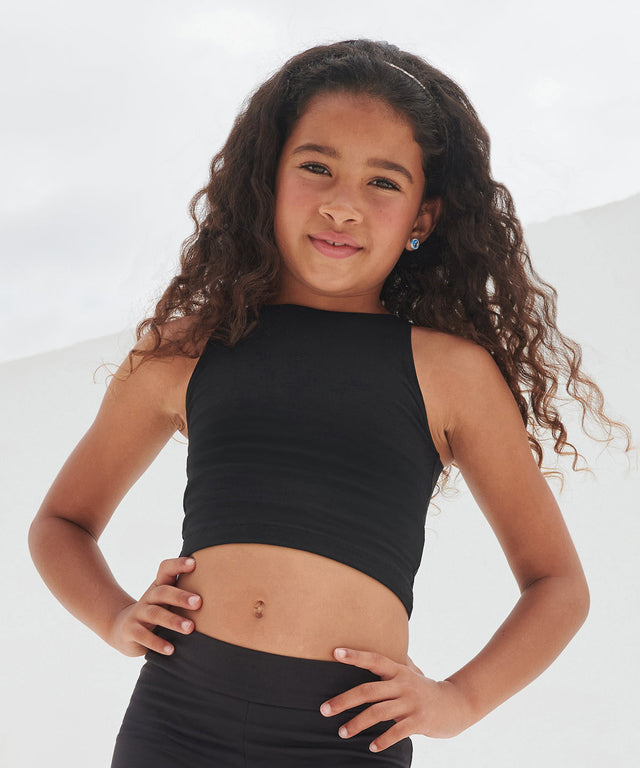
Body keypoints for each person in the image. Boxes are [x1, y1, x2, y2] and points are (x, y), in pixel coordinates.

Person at [28, 38, 632, 767]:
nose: (343, 205)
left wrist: (459, 701)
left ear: (422, 219)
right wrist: (116, 617)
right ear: (267, 180)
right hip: (178, 721)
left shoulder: (451, 373)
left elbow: (558, 586)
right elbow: (61, 523)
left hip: (343, 741)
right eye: (316, 167)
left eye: (383, 182)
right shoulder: (186, 348)